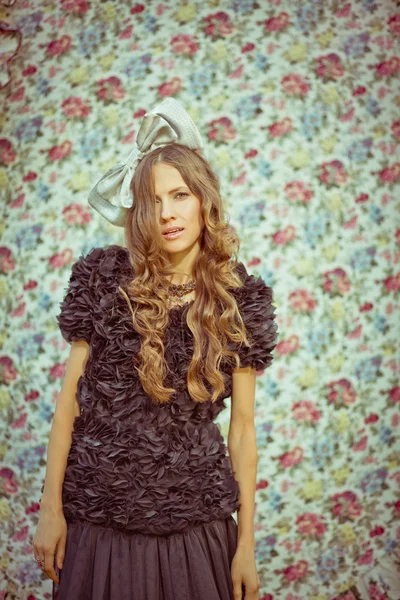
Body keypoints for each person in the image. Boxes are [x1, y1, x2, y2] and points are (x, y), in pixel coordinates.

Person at [32, 98, 278, 600]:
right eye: (153, 200)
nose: (167, 213)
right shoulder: (102, 279)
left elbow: (244, 431)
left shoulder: (240, 299)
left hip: (197, 528)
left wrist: (246, 542)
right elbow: (67, 408)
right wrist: (50, 511)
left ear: (203, 201)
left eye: (180, 195)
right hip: (99, 523)